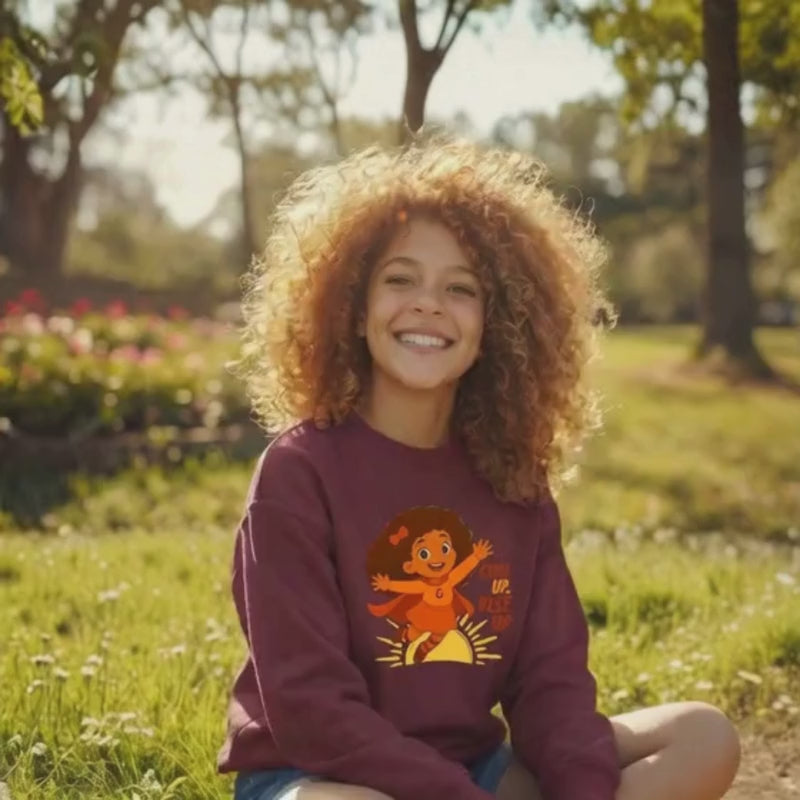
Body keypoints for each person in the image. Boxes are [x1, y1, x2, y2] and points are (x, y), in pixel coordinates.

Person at [217, 134, 741, 800]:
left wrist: (579, 791)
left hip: (474, 772)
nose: (428, 303)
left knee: (702, 736)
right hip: (324, 775)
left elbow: (550, 684)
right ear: (351, 307)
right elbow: (312, 710)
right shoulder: (298, 472)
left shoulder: (513, 480)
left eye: (460, 288)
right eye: (400, 279)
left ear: (499, 324)